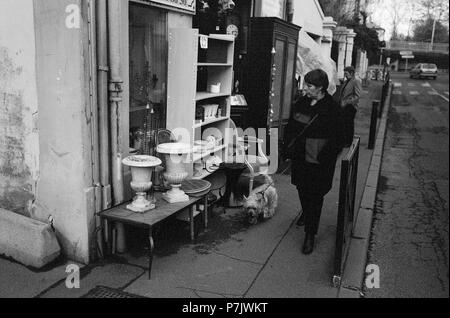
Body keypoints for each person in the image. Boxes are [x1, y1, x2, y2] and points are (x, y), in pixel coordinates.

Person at [284, 69, 344, 255]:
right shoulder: (301, 102)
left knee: (316, 196)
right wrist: (287, 145)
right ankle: (306, 212)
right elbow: (292, 126)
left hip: (319, 160)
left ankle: (310, 234)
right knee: (302, 189)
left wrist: (327, 154)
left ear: (320, 88)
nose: (305, 89)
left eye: (309, 86)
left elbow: (339, 137)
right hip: (301, 157)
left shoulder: (332, 108)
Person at [338, 66, 362, 147]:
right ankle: (344, 140)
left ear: (351, 73)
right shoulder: (347, 81)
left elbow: (357, 95)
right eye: (344, 73)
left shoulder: (356, 81)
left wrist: (347, 102)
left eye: (346, 73)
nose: (345, 75)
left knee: (349, 124)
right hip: (344, 106)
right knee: (344, 123)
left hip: (350, 106)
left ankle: (348, 141)